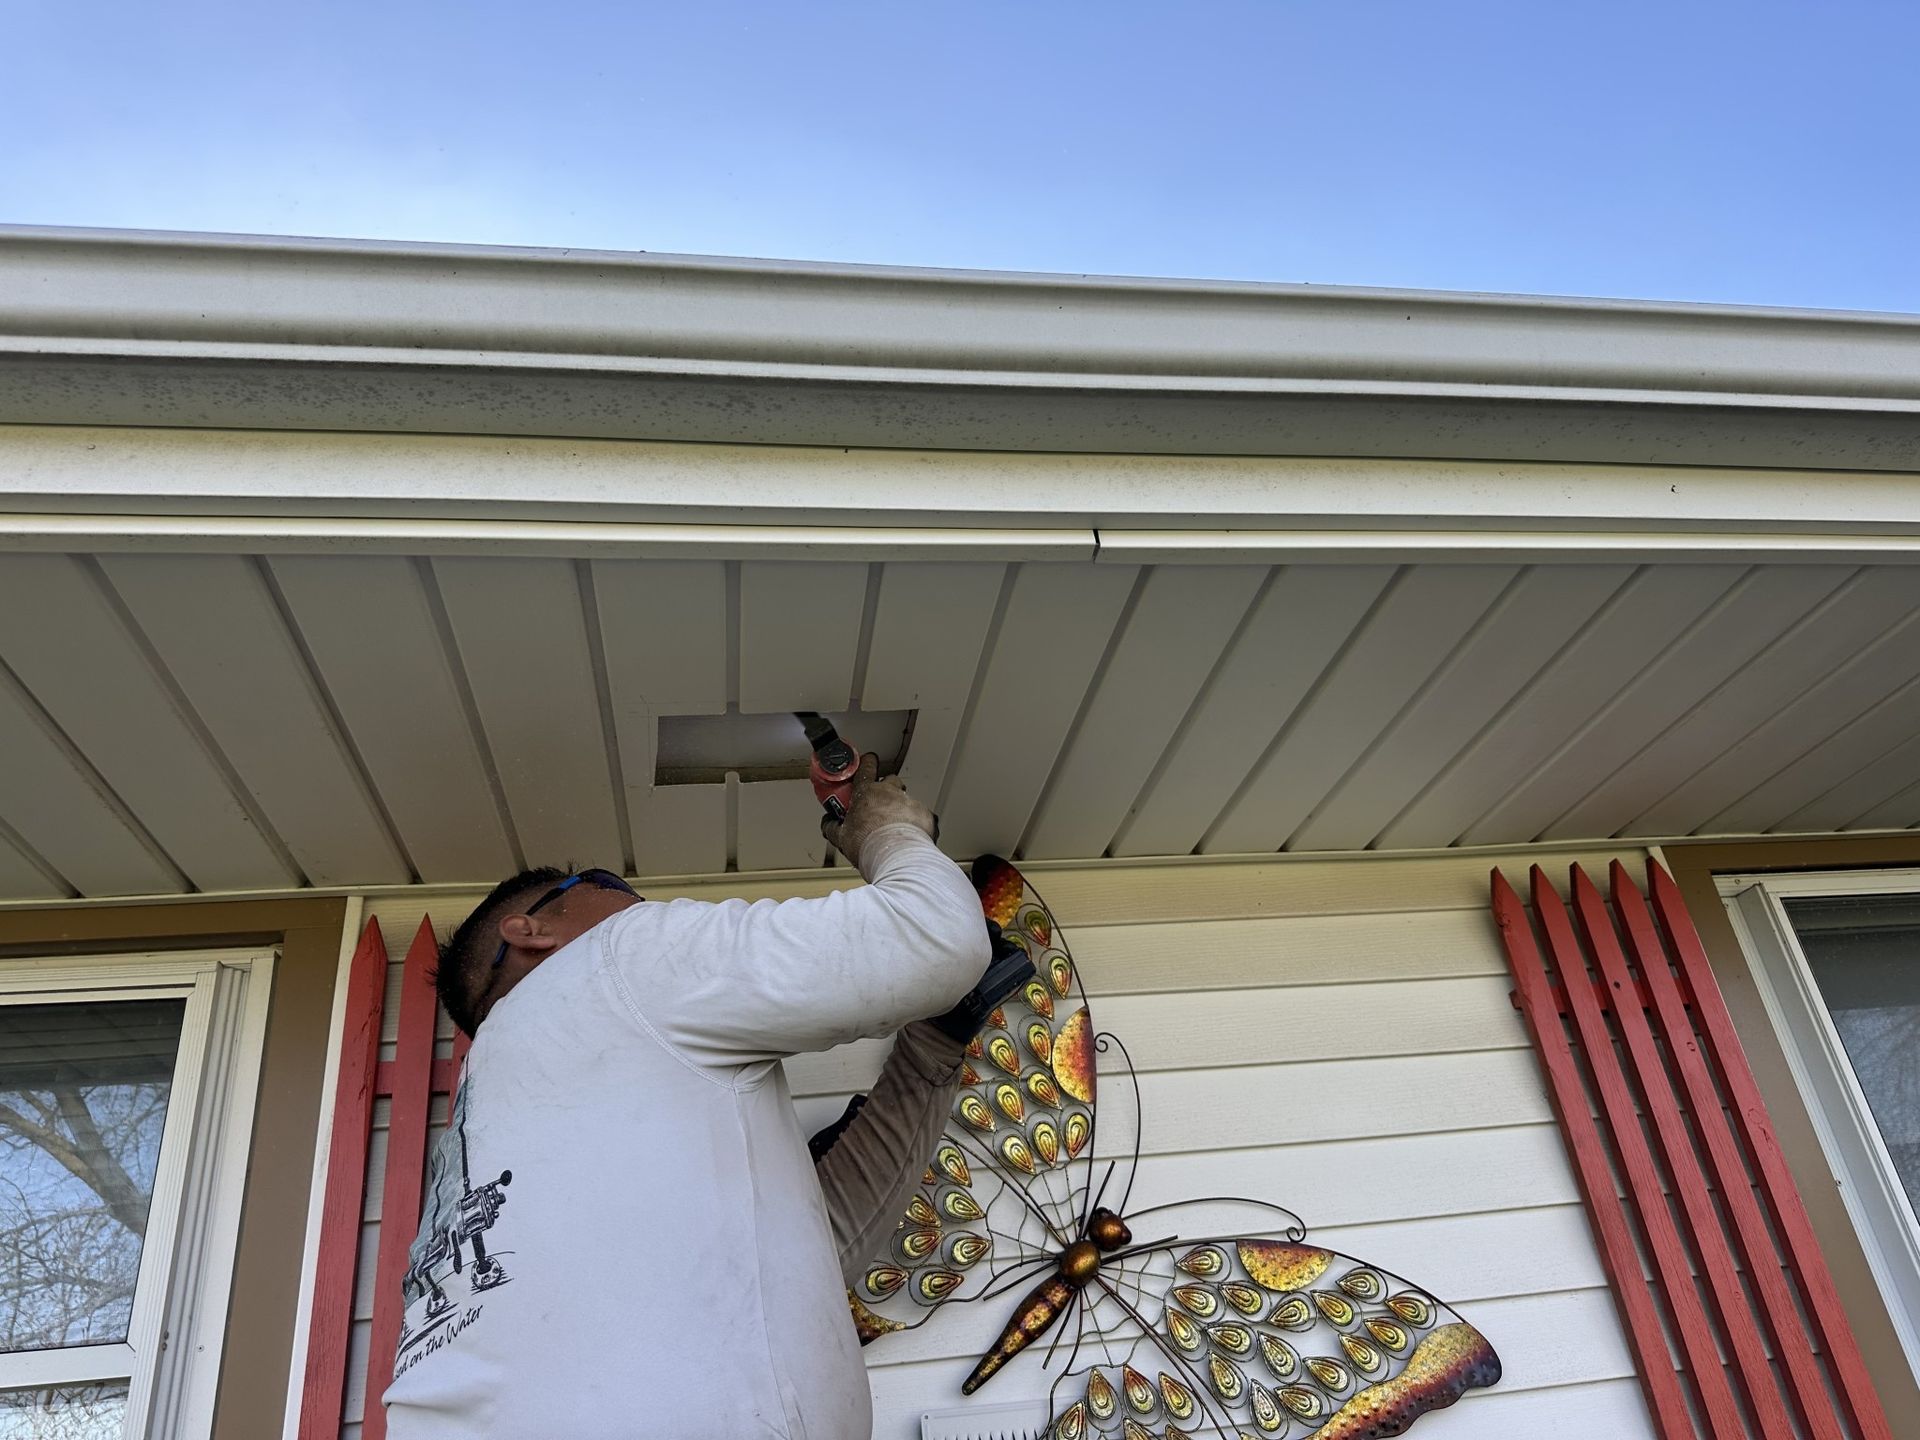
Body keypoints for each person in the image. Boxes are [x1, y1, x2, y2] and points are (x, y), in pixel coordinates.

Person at [383, 756, 992, 1439]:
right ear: (530, 931)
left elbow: (795, 1267)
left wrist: (933, 1052)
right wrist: (888, 828)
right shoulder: (614, 960)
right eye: (608, 886)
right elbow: (935, 939)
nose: (637, 904)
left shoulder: (508, 1116)